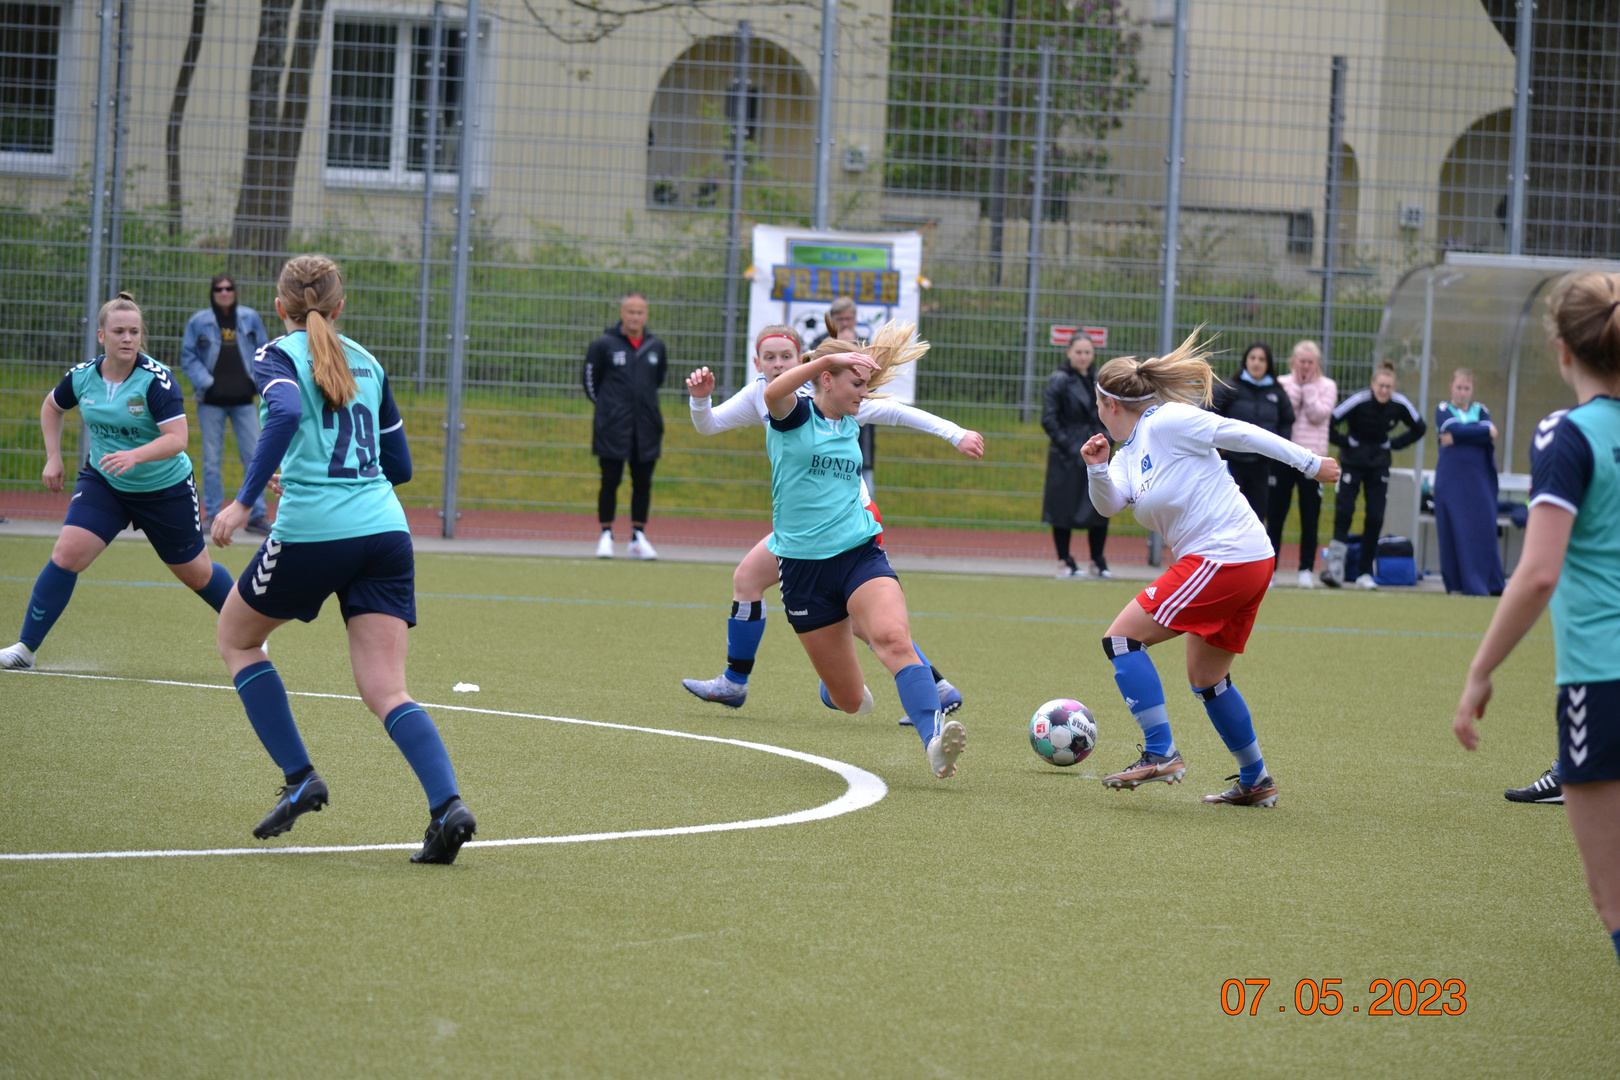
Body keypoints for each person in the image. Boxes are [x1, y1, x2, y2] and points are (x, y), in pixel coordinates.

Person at [210, 255, 475, 865]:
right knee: (387, 689)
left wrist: (243, 499)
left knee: (237, 639)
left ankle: (300, 776)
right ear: (340, 307)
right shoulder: (371, 362)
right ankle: (446, 807)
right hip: (385, 531)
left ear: (280, 309)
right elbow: (399, 468)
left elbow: (288, 414)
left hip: (313, 532)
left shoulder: (276, 354)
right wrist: (323, 467)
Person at [1081, 332, 1341, 806]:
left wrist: (1309, 462)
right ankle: (1256, 780)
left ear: (1108, 404)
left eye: (1096, 404)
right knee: (1207, 679)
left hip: (1226, 556)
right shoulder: (1127, 454)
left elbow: (1239, 434)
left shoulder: (1166, 420)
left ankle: (1160, 752)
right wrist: (1097, 468)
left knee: (1121, 639)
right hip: (1241, 560)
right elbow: (1108, 504)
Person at [680, 325, 984, 714]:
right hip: (802, 529)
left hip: (846, 519)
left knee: (861, 617)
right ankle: (736, 683)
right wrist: (700, 401)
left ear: (803, 359)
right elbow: (709, 424)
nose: (777, 363)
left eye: (786, 357)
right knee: (748, 580)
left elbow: (893, 410)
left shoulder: (828, 395)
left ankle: (932, 685)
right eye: (769, 357)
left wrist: (953, 433)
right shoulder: (762, 392)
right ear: (757, 364)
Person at [1453, 269, 1620, 967]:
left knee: (1613, 899)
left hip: (1601, 678)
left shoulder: (1567, 437)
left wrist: (1480, 671)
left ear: (1561, 350)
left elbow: (1540, 571)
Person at [759, 323, 968, 778]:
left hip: (860, 554)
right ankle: (835, 686)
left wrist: (955, 434)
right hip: (802, 572)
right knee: (851, 700)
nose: (863, 394)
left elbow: (903, 413)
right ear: (827, 379)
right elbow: (774, 391)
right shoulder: (794, 416)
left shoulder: (851, 420)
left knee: (893, 639)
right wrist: (827, 360)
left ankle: (934, 740)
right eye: (857, 384)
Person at [0, 293, 236, 671]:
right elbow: (52, 407)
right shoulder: (81, 377)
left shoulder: (156, 380)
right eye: (119, 331)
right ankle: (25, 649)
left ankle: (250, 630)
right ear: (101, 335)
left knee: (197, 574)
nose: (127, 338)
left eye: (134, 332)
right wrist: (53, 456)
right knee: (67, 553)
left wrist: (135, 455)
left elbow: (177, 439)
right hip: (106, 483)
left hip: (164, 488)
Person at [180, 273, 270, 532]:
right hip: (211, 403)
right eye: (218, 289)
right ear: (212, 292)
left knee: (255, 457)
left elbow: (264, 351)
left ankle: (257, 516)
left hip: (244, 402)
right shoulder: (199, 322)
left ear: (235, 290)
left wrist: (255, 381)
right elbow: (188, 356)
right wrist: (206, 382)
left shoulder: (249, 318)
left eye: (229, 288)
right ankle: (213, 515)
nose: (224, 292)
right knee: (210, 461)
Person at [1324, 361, 1426, 589]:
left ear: (1394, 387)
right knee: (1344, 512)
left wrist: (1394, 444)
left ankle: (1364, 573)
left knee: (1375, 517)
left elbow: (1420, 427)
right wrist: (1346, 442)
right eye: (1380, 385)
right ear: (1372, 384)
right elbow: (1330, 421)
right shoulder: (1358, 401)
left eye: (1389, 387)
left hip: (1379, 465)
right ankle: (1335, 570)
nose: (1384, 390)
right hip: (1352, 463)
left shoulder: (1399, 404)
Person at [584, 291, 667, 560]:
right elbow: (590, 382)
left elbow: (658, 379)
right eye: (630, 311)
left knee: (643, 482)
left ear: (646, 315)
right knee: (610, 480)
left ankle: (637, 537)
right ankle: (606, 534)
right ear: (622, 313)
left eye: (640, 312)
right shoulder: (603, 345)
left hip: (646, 427)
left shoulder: (656, 347)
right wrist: (609, 409)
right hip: (612, 427)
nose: (635, 317)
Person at [1042, 332, 1112, 579]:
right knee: (1063, 507)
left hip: (1097, 448)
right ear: (1069, 352)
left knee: (1100, 505)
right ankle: (1065, 561)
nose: (1083, 357)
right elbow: (1049, 418)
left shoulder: (1100, 382)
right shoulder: (1059, 381)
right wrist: (1069, 446)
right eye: (1078, 352)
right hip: (1066, 453)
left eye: (1087, 352)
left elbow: (1113, 412)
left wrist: (1105, 439)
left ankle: (1098, 561)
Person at [1433, 367, 1505, 595]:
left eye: (1467, 388)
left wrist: (1460, 437)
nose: (1462, 392)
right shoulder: (1443, 409)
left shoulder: (1481, 409)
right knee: (1452, 528)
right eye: (1459, 387)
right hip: (1451, 481)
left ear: (1472, 390)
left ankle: (1487, 584)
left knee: (1482, 528)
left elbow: (1490, 432)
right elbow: (1452, 428)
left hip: (1480, 480)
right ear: (1451, 387)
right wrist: (1480, 434)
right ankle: (1455, 584)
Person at [1271, 340, 1337, 587]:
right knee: (1276, 514)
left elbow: (1318, 414)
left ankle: (1306, 569)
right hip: (1285, 457)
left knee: (1310, 516)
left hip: (1314, 460)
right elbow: (1286, 412)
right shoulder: (1282, 383)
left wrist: (1308, 388)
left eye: (1310, 362)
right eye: (1302, 361)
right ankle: (1272, 569)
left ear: (1317, 363)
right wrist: (1298, 388)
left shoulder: (1328, 386)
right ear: (1293, 362)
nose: (1306, 366)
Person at [1212, 341, 1295, 527]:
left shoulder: (1278, 393)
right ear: (1245, 361)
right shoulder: (1229, 388)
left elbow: (1287, 422)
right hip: (1231, 464)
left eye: (1262, 359)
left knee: (1256, 518)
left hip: (1262, 467)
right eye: (1253, 358)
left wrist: (1276, 451)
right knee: (1229, 516)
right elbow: (1208, 415)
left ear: (1268, 364)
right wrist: (1218, 448)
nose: (1256, 363)